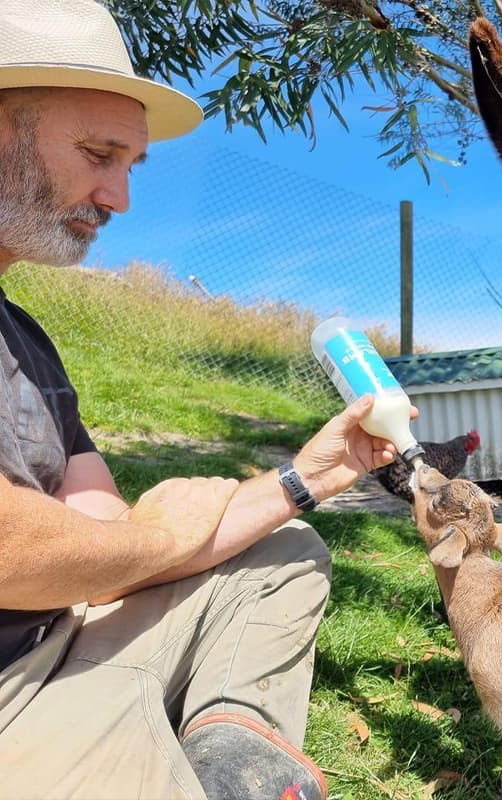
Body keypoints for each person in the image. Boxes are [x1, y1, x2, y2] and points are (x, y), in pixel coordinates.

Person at [0, 3, 412, 799]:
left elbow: (108, 557)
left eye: (133, 165)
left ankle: (234, 758)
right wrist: (154, 536)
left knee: (284, 553)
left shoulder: (28, 344)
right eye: (97, 153)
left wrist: (308, 479)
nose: (118, 197)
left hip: (54, 643)